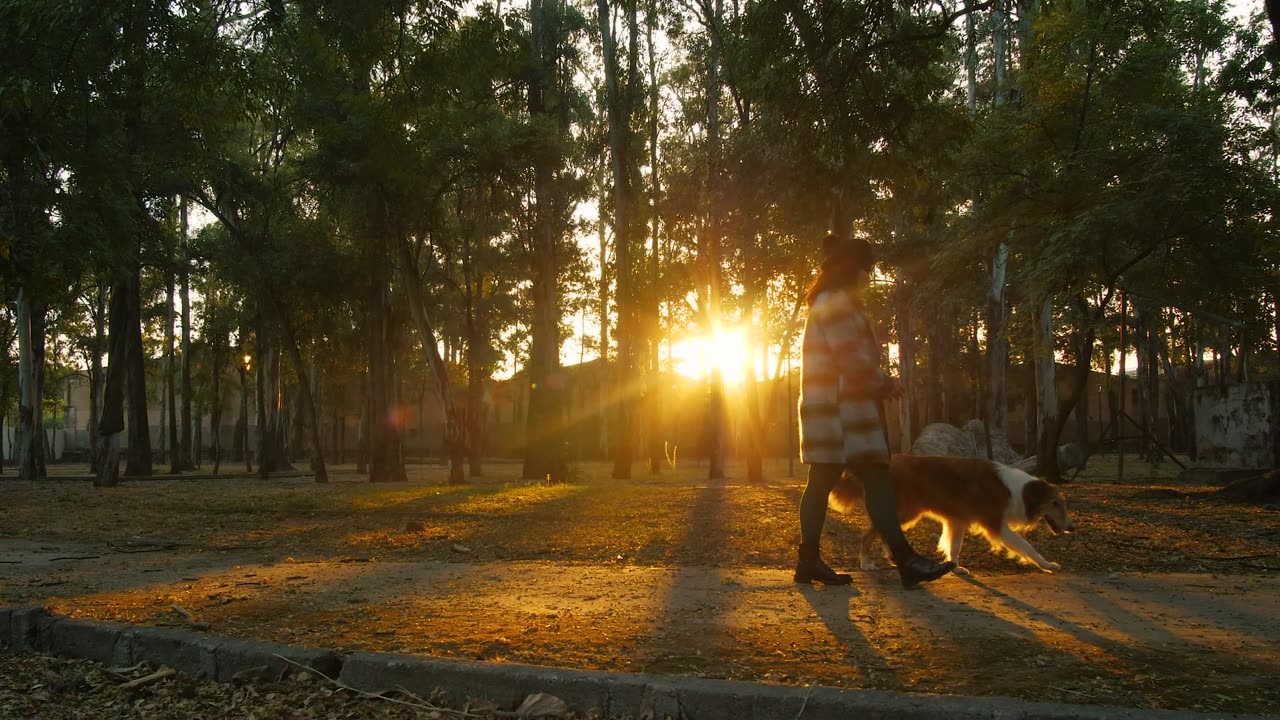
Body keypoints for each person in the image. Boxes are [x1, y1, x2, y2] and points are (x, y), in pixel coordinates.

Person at [795, 233, 955, 589]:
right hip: (843, 415)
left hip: (832, 412)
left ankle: (809, 561)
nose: (867, 278)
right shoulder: (835, 303)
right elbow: (851, 359)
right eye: (865, 271)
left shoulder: (827, 301)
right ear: (853, 269)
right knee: (877, 478)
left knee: (821, 484)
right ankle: (904, 559)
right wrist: (884, 382)